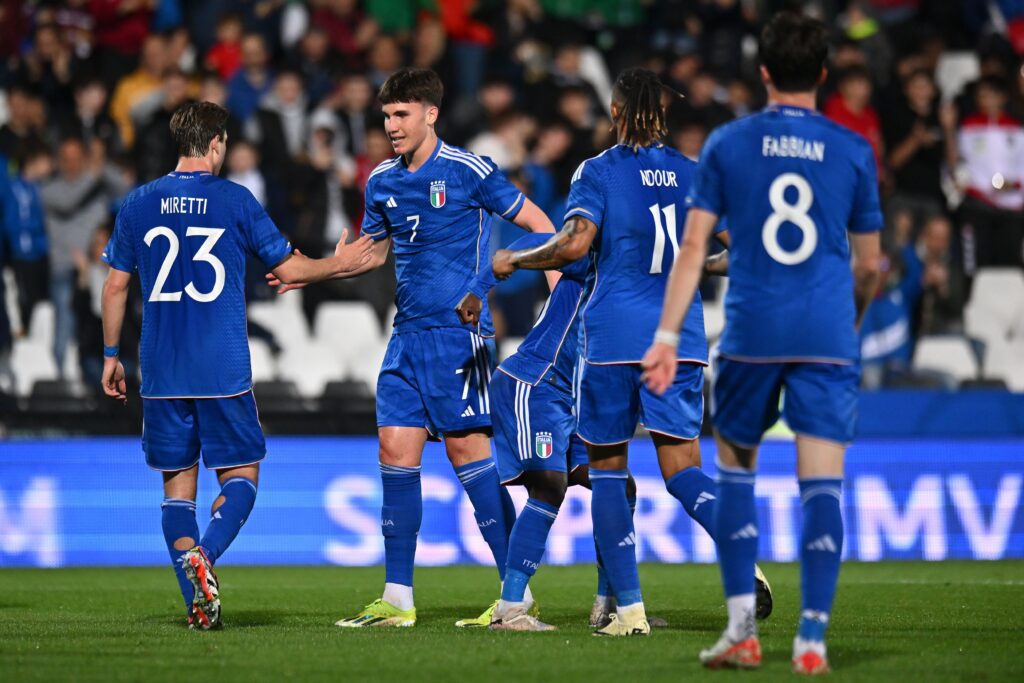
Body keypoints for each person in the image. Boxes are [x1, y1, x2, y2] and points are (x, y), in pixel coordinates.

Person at [486, 67, 771, 637]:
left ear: (615, 114)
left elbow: (573, 243)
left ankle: (629, 614)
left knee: (611, 473)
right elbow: (744, 253)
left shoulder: (599, 173)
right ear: (664, 117)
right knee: (683, 471)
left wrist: (512, 261)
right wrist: (697, 269)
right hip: (680, 342)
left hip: (614, 343)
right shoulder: (696, 174)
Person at [270, 67, 557, 628]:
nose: (391, 126)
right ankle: (397, 599)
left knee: (468, 454)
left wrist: (555, 311)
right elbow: (370, 254)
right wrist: (313, 270)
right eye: (385, 117)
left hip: (461, 337)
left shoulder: (470, 170)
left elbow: (540, 225)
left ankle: (514, 595)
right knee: (394, 452)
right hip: (406, 338)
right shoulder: (382, 180)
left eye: (401, 115)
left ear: (430, 113)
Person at [642, 13, 882, 673]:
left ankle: (743, 630)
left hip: (752, 332)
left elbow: (694, 246)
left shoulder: (727, 144)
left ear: (765, 71)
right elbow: (869, 265)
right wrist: (849, 325)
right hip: (827, 335)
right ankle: (811, 640)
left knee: (738, 476)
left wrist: (666, 335)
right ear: (825, 75)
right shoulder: (853, 148)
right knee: (823, 486)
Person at [99, 101, 375, 630]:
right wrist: (337, 265)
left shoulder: (138, 203)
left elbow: (115, 285)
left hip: (160, 372)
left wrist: (111, 355)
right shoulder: (235, 200)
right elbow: (289, 267)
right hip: (221, 367)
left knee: (177, 488)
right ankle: (206, 554)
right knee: (243, 476)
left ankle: (197, 601)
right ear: (217, 143)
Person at [457, 232, 636, 631]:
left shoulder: (635, 283)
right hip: (534, 383)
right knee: (549, 487)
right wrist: (478, 289)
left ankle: (611, 607)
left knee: (620, 488)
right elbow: (516, 251)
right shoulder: (587, 257)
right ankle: (510, 609)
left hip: (572, 399)